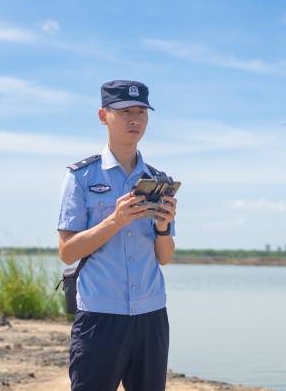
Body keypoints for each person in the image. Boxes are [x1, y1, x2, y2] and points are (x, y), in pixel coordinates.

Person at [57, 80, 177, 391]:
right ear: (103, 116)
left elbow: (165, 257)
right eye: (125, 112)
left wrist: (163, 227)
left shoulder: (158, 180)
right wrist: (115, 220)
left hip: (151, 315)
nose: (135, 120)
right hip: (100, 315)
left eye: (141, 112)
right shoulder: (81, 177)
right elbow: (68, 252)